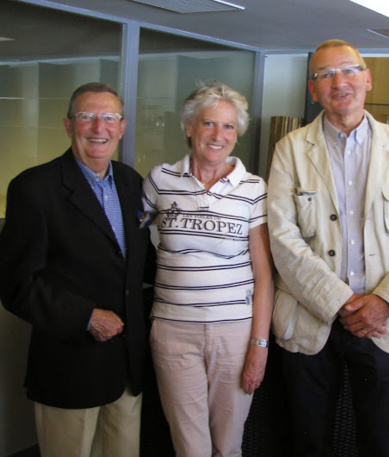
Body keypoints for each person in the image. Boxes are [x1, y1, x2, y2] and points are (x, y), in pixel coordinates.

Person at [267, 39, 389, 457]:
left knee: (383, 444)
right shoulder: (290, 149)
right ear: (313, 89)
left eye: (347, 70)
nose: (338, 81)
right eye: (325, 74)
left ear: (367, 78)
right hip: (310, 319)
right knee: (309, 441)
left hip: (385, 322)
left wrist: (384, 302)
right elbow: (282, 238)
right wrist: (341, 301)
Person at [0, 82, 156, 457]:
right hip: (70, 366)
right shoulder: (34, 188)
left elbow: (138, 267)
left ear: (122, 127)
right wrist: (86, 317)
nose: (98, 127)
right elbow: (16, 284)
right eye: (86, 116)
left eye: (109, 118)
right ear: (69, 126)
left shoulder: (133, 183)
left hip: (127, 368)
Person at [142, 81, 274, 457]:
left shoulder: (253, 188)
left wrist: (259, 346)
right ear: (188, 127)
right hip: (172, 330)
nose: (219, 135)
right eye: (208, 124)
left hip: (234, 332)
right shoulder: (160, 181)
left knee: (228, 445)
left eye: (229, 126)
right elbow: (132, 235)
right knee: (189, 446)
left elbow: (264, 276)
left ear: (238, 133)